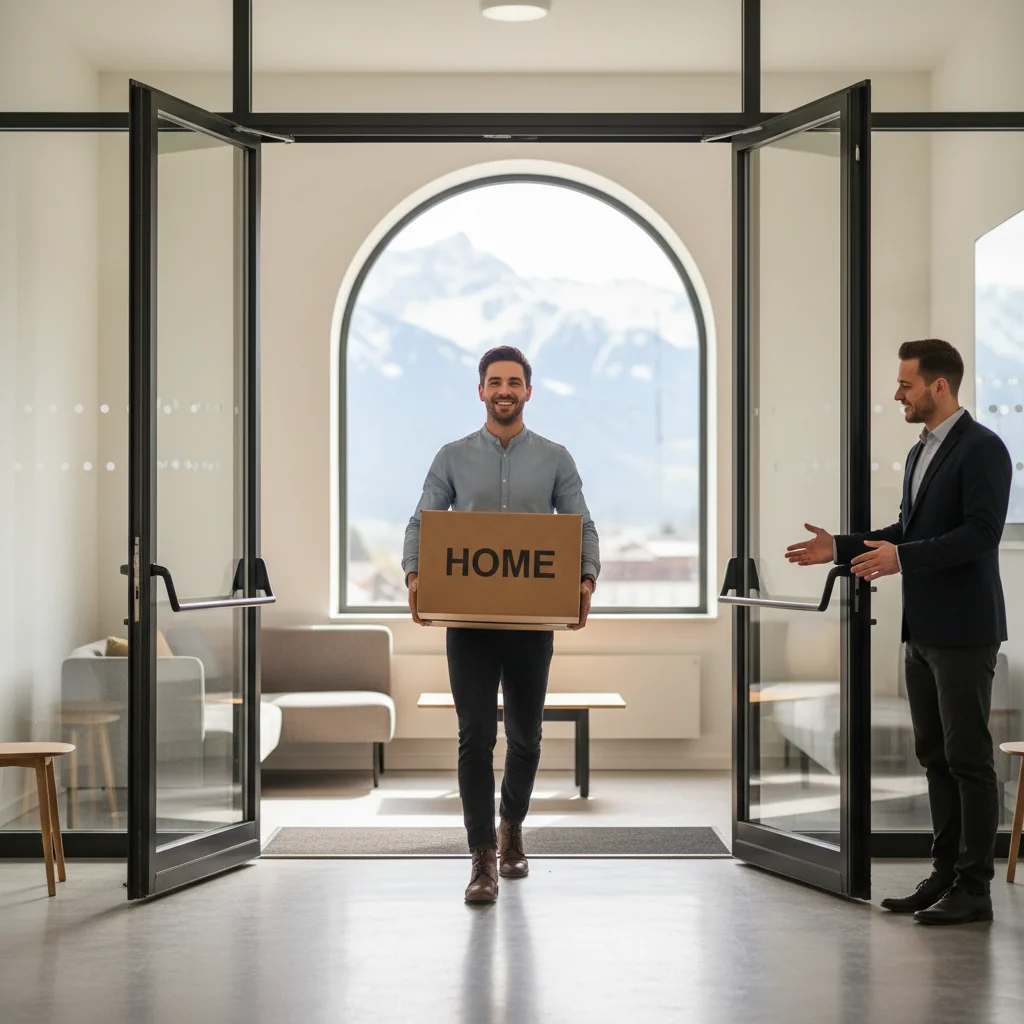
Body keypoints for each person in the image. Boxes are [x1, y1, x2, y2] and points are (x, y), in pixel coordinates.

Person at [786, 339, 1011, 926]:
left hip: (965, 630)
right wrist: (839, 546)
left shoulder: (984, 449)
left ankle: (975, 888)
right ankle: (943, 875)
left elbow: (980, 535)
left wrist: (901, 560)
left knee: (968, 758)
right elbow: (906, 529)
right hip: (924, 630)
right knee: (934, 754)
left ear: (940, 386)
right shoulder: (920, 453)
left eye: (906, 384)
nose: (897, 394)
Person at [402, 345, 601, 904]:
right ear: (482, 391)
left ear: (528, 392)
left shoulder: (556, 458)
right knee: (474, 738)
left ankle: (511, 827)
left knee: (526, 737)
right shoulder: (451, 457)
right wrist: (415, 574)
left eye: (514, 381)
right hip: (468, 623)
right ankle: (482, 857)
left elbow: (582, 525)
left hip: (531, 620)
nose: (504, 390)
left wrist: (585, 580)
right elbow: (421, 520)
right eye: (495, 382)